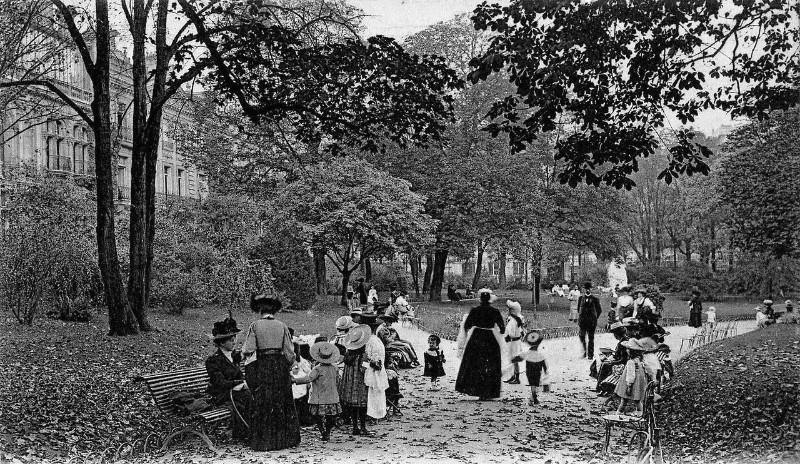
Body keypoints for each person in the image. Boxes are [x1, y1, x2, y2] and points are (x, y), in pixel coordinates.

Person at [241, 294, 300, 451]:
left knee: (264, 401)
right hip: (279, 366)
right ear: (274, 310)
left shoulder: (255, 325)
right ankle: (285, 440)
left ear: (260, 309)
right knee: (282, 400)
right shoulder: (282, 325)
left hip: (263, 366)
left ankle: (264, 441)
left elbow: (248, 349)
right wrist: (288, 364)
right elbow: (289, 352)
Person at [205, 314, 252, 442]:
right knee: (247, 396)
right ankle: (244, 434)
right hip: (221, 394)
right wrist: (240, 383)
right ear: (221, 342)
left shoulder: (234, 356)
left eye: (234, 338)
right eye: (231, 339)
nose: (234, 341)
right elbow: (219, 383)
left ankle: (254, 430)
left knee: (255, 393)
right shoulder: (213, 361)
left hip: (235, 391)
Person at [455, 288, 506, 400]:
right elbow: (502, 328)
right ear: (489, 299)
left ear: (480, 299)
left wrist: (470, 331)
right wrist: (498, 331)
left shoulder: (474, 310)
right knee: (491, 364)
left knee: (475, 363)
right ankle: (488, 391)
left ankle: (475, 389)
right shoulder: (495, 311)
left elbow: (467, 325)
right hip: (490, 338)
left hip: (476, 338)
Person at [292, 342, 343, 442]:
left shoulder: (317, 369)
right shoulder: (334, 368)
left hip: (319, 397)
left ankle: (322, 431)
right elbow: (338, 381)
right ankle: (327, 432)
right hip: (332, 397)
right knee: (330, 417)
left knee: (317, 416)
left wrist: (295, 380)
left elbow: (308, 378)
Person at [340, 324, 373, 436]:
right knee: (362, 405)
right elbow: (364, 369)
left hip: (350, 384)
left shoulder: (348, 355)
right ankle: (363, 427)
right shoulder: (363, 356)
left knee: (353, 406)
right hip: (360, 383)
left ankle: (355, 427)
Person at [511, 331, 548, 406]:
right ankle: (534, 396)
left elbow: (518, 358)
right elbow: (544, 365)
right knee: (536, 384)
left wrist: (513, 359)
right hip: (537, 372)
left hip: (529, 372)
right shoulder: (540, 354)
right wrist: (545, 371)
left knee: (532, 384)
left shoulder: (527, 353)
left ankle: (533, 397)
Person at [615, 338, 648, 416]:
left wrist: (629, 386)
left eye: (628, 349)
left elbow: (631, 375)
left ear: (631, 351)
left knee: (624, 400)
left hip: (630, 383)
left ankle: (619, 413)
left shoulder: (631, 362)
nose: (627, 351)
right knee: (637, 400)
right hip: (638, 384)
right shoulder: (640, 361)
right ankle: (640, 413)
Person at [595, 321, 629, 395]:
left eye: (614, 334)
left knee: (605, 364)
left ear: (617, 334)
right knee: (600, 362)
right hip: (619, 361)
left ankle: (601, 387)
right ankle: (600, 386)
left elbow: (623, 359)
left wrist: (613, 362)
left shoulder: (623, 343)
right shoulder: (623, 340)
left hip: (623, 364)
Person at [576, 282, 602, 359]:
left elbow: (599, 310)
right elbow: (578, 309)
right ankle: (584, 352)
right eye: (586, 288)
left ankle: (590, 355)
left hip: (591, 322)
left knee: (591, 338)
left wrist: (594, 318)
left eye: (589, 288)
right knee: (582, 336)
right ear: (584, 289)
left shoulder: (595, 299)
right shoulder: (581, 298)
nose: (587, 290)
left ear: (591, 289)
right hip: (583, 321)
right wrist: (581, 317)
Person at [504, 300, 525, 385]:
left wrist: (506, 336)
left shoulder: (513, 320)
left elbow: (510, 332)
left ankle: (516, 377)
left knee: (514, 360)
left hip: (514, 342)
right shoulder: (518, 319)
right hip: (516, 341)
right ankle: (513, 375)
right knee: (512, 360)